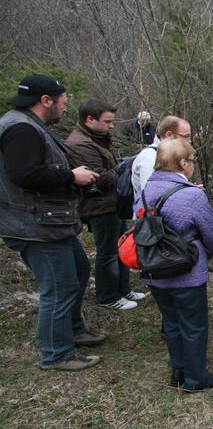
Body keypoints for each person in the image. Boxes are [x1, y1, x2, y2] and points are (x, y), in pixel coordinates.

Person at [0, 74, 103, 371]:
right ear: (46, 101)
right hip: (35, 226)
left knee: (79, 271)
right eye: (62, 102)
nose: (64, 107)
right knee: (58, 287)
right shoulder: (20, 129)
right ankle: (56, 352)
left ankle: (72, 329)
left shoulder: (28, 126)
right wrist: (71, 176)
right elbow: (24, 175)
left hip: (51, 222)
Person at [134, 137, 213, 391]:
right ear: (183, 163)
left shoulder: (144, 192)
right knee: (194, 324)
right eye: (191, 160)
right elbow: (210, 234)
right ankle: (196, 379)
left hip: (155, 270)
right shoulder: (192, 195)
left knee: (171, 322)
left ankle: (178, 371)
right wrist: (205, 255)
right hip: (187, 271)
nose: (192, 164)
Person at [64, 99, 146, 310]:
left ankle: (122, 289)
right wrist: (128, 165)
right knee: (107, 252)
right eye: (107, 122)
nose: (111, 126)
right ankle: (108, 296)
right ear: (90, 119)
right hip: (99, 206)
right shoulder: (80, 144)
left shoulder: (96, 138)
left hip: (112, 203)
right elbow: (98, 179)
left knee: (120, 246)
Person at [131, 115, 191, 201]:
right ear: (169, 135)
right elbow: (152, 198)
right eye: (186, 136)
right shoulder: (150, 158)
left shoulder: (170, 156)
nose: (189, 141)